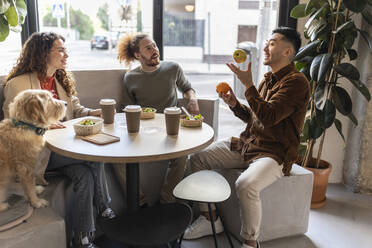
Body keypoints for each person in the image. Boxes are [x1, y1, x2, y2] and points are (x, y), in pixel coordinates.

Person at [183, 27, 310, 248]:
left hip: (274, 153)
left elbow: (269, 117)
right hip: (249, 144)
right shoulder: (267, 79)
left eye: (272, 42)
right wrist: (234, 104)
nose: (264, 47)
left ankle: (251, 243)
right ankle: (209, 218)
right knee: (197, 158)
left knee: (245, 184)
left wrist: (248, 84)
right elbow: (255, 118)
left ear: (288, 51)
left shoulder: (297, 82)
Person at [3, 32, 115, 248]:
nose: (66, 54)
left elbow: (75, 109)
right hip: (39, 155)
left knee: (85, 175)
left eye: (66, 50)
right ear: (43, 52)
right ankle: (105, 209)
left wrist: (93, 112)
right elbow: (14, 126)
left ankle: (82, 239)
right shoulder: (18, 84)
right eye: (60, 49)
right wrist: (42, 126)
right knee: (94, 157)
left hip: (65, 150)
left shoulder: (60, 80)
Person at [114, 33, 199, 204]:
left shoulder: (173, 68)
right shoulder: (130, 77)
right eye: (148, 48)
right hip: (143, 131)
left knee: (183, 157)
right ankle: (139, 201)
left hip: (170, 129)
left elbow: (187, 88)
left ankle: (166, 199)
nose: (155, 50)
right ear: (138, 55)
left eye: (154, 46)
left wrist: (193, 100)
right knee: (116, 160)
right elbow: (125, 109)